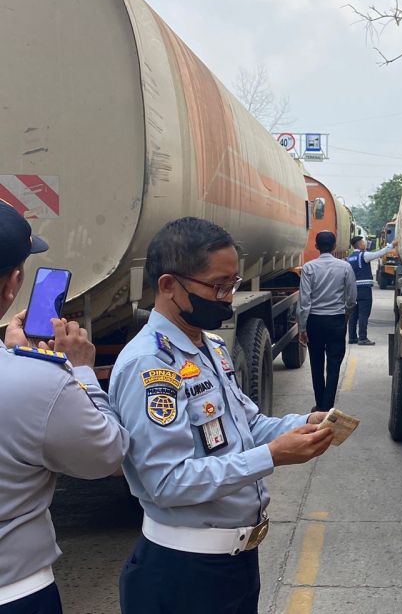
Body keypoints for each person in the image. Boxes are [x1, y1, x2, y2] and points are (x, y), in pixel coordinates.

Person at [109, 217, 335, 614]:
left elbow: (246, 425)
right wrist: (273, 456)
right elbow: (166, 481)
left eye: (233, 285)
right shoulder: (150, 365)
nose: (229, 298)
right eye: (218, 286)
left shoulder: (209, 347)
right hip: (183, 575)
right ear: (168, 286)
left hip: (233, 566)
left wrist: (302, 425)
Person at [0, 201, 129, 614]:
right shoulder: (39, 382)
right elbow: (106, 455)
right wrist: (81, 373)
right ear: (12, 284)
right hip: (16, 594)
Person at [297, 230, 356, 412]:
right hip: (336, 321)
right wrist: (345, 314)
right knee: (334, 364)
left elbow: (304, 300)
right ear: (334, 246)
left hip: (315, 321)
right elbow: (352, 297)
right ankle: (327, 406)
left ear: (316, 246)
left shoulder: (308, 267)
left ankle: (320, 404)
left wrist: (302, 327)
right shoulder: (345, 267)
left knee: (316, 363)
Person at [347, 235, 394, 346]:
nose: (365, 244)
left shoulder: (350, 257)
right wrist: (391, 246)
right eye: (363, 242)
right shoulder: (364, 255)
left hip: (353, 290)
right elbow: (378, 254)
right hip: (364, 290)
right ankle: (362, 338)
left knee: (353, 315)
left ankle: (352, 337)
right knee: (364, 314)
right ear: (359, 244)